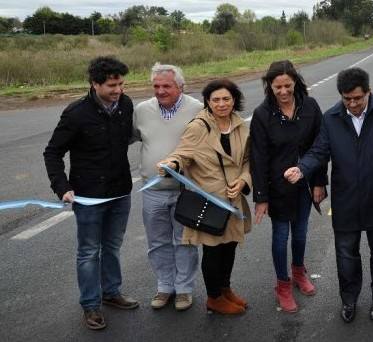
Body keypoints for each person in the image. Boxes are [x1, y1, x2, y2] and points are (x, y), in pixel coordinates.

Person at [284, 67, 373, 323]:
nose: (352, 104)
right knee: (346, 254)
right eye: (347, 99)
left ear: (368, 93)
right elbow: (319, 151)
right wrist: (302, 168)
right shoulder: (331, 118)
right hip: (347, 200)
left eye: (357, 98)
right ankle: (349, 300)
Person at [43, 56, 139, 330]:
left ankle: (111, 292)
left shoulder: (126, 105)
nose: (118, 90)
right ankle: (91, 305)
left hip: (121, 191)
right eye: (111, 85)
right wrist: (62, 187)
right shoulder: (76, 113)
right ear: (94, 84)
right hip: (88, 196)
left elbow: (129, 138)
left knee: (112, 247)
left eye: (121, 84)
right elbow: (52, 152)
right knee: (88, 252)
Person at [157, 79, 253, 315]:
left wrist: (243, 181)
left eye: (226, 99)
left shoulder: (240, 125)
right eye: (216, 100)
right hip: (209, 201)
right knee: (213, 250)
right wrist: (172, 163)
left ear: (234, 100)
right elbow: (183, 153)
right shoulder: (199, 127)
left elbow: (249, 161)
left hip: (233, 200)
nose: (221, 104)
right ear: (208, 102)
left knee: (229, 246)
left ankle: (225, 290)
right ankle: (214, 298)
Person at [250, 60, 327, 313]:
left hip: (305, 184)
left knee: (301, 233)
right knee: (281, 236)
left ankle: (299, 272)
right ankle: (283, 285)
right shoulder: (263, 115)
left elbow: (320, 147)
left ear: (295, 82)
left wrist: (318, 182)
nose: (283, 92)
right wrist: (261, 197)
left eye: (287, 85)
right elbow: (258, 158)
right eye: (277, 87)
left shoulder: (310, 107)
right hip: (277, 188)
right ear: (269, 86)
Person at [132, 63, 203, 311]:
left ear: (180, 86)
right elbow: (133, 137)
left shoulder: (197, 109)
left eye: (166, 86)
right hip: (152, 190)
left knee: (184, 240)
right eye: (156, 86)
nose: (160, 91)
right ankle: (165, 286)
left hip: (187, 190)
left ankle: (184, 289)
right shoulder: (142, 110)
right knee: (158, 241)